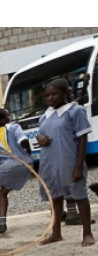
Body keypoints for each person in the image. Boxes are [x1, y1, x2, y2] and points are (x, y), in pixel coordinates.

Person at [36, 78, 95, 247]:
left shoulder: (74, 111)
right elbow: (40, 135)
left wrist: (79, 166)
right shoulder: (45, 116)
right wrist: (40, 138)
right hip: (49, 162)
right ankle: (56, 233)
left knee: (79, 195)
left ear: (66, 93)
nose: (50, 98)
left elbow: (82, 139)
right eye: (47, 95)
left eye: (54, 94)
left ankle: (87, 233)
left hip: (69, 161)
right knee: (54, 197)